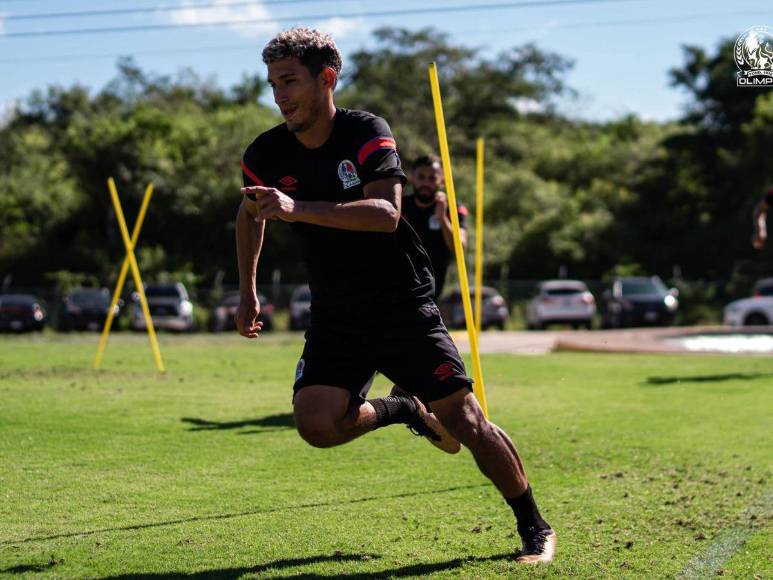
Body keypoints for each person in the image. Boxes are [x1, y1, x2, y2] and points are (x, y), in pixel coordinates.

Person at [235, 27, 556, 564]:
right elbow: (247, 215)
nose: (279, 95)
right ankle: (402, 407)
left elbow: (386, 215)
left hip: (401, 303)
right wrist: (247, 289)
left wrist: (295, 208)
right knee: (316, 424)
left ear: (326, 78)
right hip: (336, 313)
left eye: (289, 81)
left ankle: (535, 527)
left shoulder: (366, 131)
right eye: (272, 84)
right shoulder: (265, 152)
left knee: (465, 421)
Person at [402, 154, 468, 299]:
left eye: (432, 178)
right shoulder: (399, 205)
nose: (426, 183)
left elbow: (460, 248)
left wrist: (442, 219)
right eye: (421, 177)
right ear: (412, 178)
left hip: (434, 283)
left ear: (442, 181)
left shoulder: (454, 208)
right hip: (401, 278)